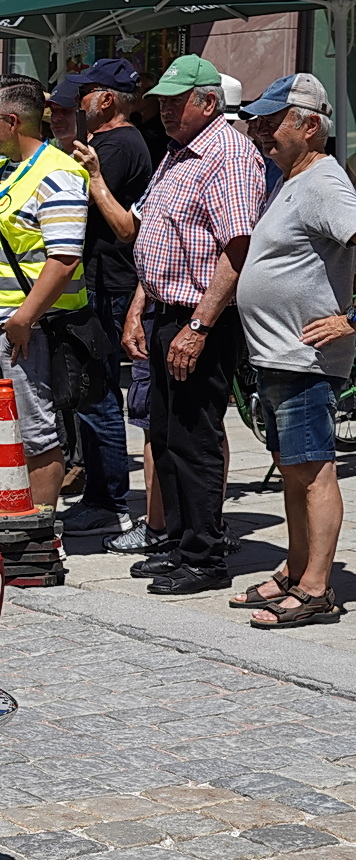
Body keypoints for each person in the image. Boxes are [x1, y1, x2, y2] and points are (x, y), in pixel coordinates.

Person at [106, 55, 266, 595]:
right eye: (163, 103)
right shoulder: (178, 152)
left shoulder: (228, 154)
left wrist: (198, 327)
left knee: (195, 439)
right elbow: (155, 235)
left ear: (209, 102)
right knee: (167, 435)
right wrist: (139, 307)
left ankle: (204, 556)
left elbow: (238, 248)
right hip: (167, 310)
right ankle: (177, 543)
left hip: (202, 316)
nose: (166, 112)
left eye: (177, 102)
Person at [230, 73, 352, 628]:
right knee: (293, 471)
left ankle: (317, 590)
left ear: (309, 126)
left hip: (305, 359)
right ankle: (296, 569)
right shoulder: (290, 179)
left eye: (272, 121)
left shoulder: (324, 182)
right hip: (277, 355)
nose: (260, 130)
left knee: (313, 471)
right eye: (256, 121)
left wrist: (351, 320)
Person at [0, 74, 90, 515]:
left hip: (29, 329)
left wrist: (24, 318)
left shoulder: (57, 175)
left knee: (35, 433)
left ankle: (40, 530)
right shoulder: (2, 170)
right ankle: (6, 511)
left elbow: (64, 259)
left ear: (13, 121)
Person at [62, 59, 154, 541]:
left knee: (97, 391)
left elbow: (93, 208)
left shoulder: (117, 145)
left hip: (111, 284)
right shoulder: (109, 143)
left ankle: (108, 500)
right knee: (91, 390)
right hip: (101, 280)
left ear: (107, 99)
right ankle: (101, 493)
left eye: (85, 94)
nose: (78, 104)